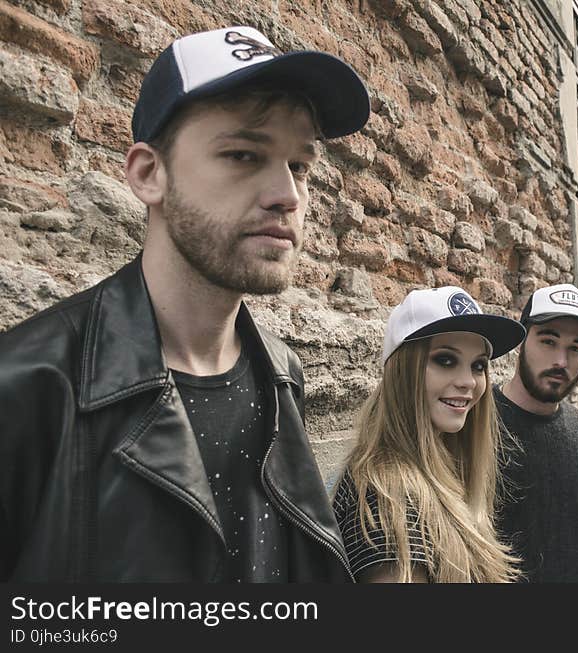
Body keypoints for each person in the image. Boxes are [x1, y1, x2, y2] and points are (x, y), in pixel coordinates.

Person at [0, 26, 371, 581]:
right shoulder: (27, 384)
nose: (288, 196)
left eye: (299, 166)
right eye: (244, 154)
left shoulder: (280, 372)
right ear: (150, 174)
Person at [331, 286, 526, 582]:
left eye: (478, 366)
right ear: (403, 369)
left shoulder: (442, 473)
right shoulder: (388, 493)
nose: (468, 382)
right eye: (445, 360)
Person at [494, 283, 578, 582]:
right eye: (548, 341)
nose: (561, 362)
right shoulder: (472, 423)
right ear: (521, 341)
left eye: (576, 348)